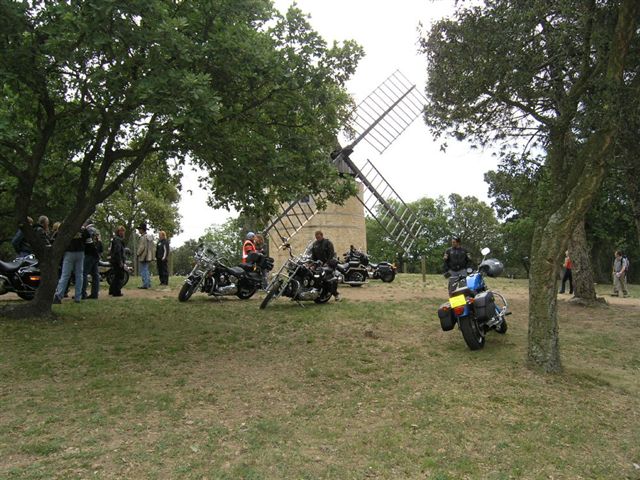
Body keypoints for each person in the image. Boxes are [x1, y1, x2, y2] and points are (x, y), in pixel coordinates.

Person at [53, 222, 90, 304]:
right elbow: (88, 239)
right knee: (79, 275)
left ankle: (59, 295)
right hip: (80, 252)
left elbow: (58, 236)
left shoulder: (67, 227)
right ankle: (78, 297)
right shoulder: (82, 228)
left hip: (69, 251)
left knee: (65, 275)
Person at [310, 230, 340, 301]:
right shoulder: (315, 244)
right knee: (314, 277)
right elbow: (313, 256)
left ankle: (335, 294)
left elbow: (331, 254)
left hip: (328, 265)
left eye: (318, 237)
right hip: (319, 265)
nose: (317, 238)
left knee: (327, 280)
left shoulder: (328, 243)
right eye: (316, 237)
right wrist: (311, 263)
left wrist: (327, 263)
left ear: (322, 235)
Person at [82, 223, 103, 299]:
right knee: (95, 275)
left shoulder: (87, 230)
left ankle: (82, 293)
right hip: (96, 255)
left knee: (84, 273)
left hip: (89, 254)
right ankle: (94, 294)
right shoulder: (96, 232)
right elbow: (100, 246)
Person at [109, 226, 127, 297]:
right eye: (120, 231)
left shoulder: (116, 239)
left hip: (115, 260)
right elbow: (118, 251)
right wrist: (120, 261)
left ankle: (112, 290)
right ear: (118, 232)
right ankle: (116, 292)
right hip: (117, 260)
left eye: (123, 231)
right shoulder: (118, 240)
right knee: (120, 276)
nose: (122, 232)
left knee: (116, 276)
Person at [136, 222, 154, 289]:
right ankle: (148, 283)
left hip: (143, 256)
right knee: (146, 270)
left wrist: (138, 253)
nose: (139, 230)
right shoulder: (148, 236)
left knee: (143, 270)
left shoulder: (143, 237)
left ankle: (145, 284)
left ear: (142, 229)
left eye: (139, 229)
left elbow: (142, 247)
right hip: (148, 255)